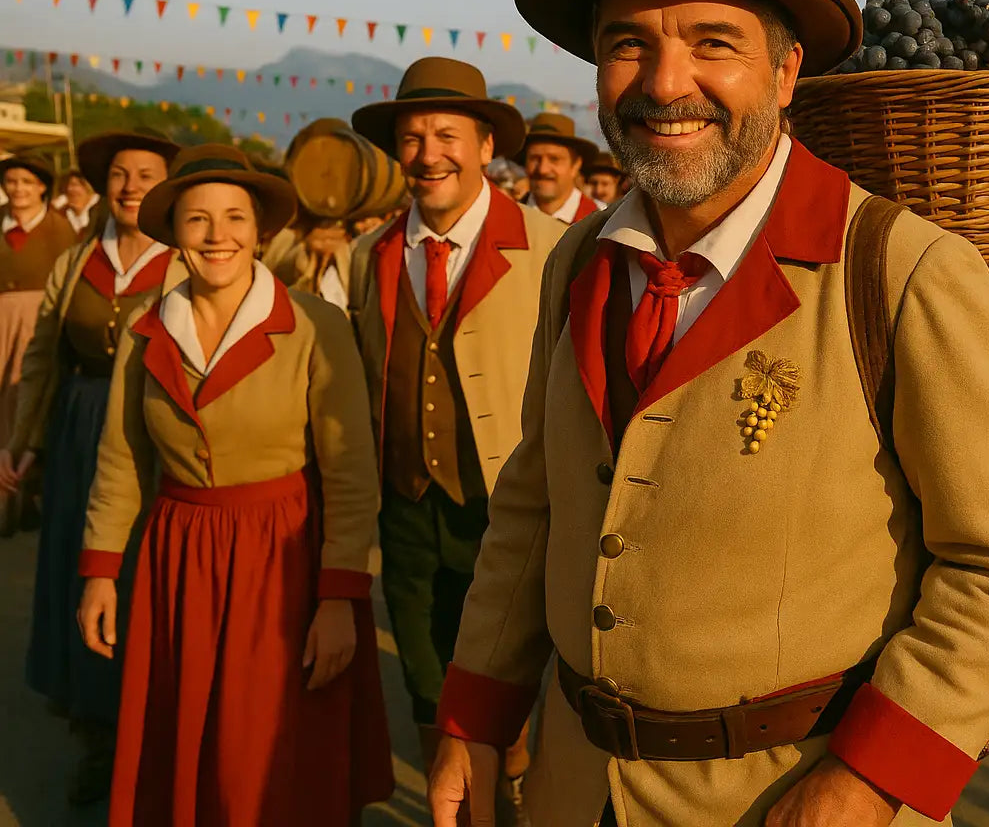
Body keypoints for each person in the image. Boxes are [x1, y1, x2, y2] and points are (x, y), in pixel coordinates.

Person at [428, 0, 989, 827]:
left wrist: (871, 777)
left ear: (783, 73)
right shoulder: (579, 261)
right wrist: (474, 716)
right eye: (627, 45)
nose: (662, 82)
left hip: (788, 798)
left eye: (712, 43)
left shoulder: (900, 269)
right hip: (571, 784)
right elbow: (537, 502)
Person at [76, 144, 393, 826]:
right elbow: (122, 460)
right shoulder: (144, 331)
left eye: (234, 219)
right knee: (187, 739)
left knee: (272, 753)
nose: (217, 237)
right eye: (197, 220)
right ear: (175, 234)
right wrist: (101, 570)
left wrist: (340, 594)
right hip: (179, 559)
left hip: (283, 558)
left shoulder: (315, 324)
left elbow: (350, 473)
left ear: (260, 232)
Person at [349, 57, 567, 804]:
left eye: (447, 134)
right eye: (411, 137)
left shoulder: (548, 248)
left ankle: (505, 800)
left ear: (483, 147)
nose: (427, 153)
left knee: (500, 692)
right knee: (421, 678)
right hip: (405, 510)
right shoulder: (367, 255)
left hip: (501, 513)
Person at [0, 130, 178, 805]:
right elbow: (44, 353)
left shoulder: (190, 257)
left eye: (146, 175)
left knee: (148, 581)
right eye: (120, 175)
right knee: (88, 574)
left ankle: (155, 728)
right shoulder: (77, 260)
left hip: (158, 439)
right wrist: (26, 440)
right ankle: (98, 735)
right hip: (81, 432)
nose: (131, 186)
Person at [0, 154, 78, 536]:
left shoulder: (59, 229)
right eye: (12, 181)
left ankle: (18, 497)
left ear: (43, 187)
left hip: (36, 321)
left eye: (27, 183)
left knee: (24, 402)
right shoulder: (0, 222)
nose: (18, 190)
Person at [518, 112, 604, 223]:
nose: (543, 169)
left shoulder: (601, 224)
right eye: (535, 158)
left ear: (575, 165)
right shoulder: (507, 218)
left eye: (554, 159)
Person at [56, 170, 100, 237]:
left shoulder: (100, 210)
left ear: (86, 187)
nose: (69, 189)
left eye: (74, 185)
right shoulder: (63, 212)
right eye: (68, 186)